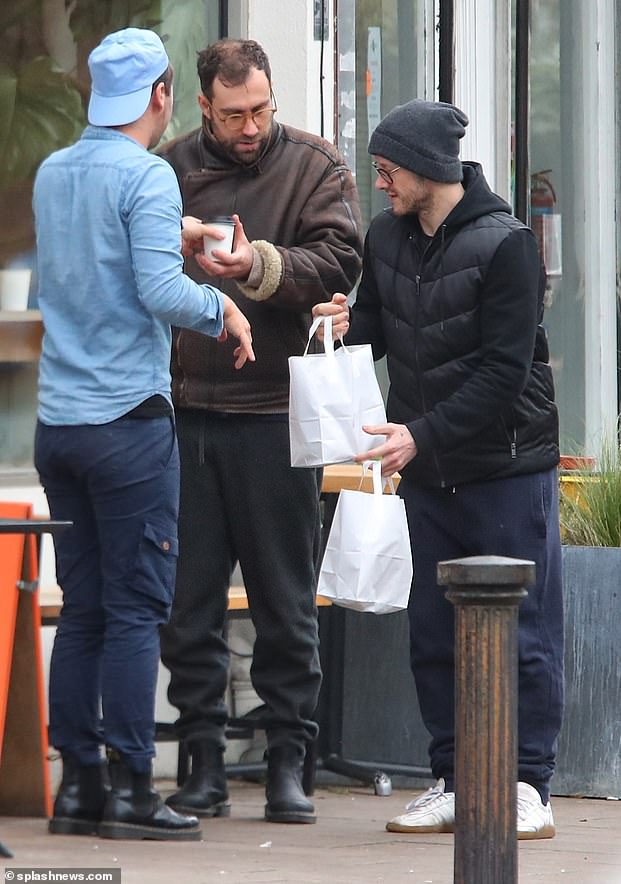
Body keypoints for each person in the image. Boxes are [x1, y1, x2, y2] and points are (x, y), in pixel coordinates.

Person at [314, 100, 564, 840]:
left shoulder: (507, 244)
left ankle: (528, 785)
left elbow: (502, 372)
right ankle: (455, 779)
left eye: (387, 170)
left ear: (426, 168)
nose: (380, 183)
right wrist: (341, 322)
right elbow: (380, 326)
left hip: (506, 467)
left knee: (525, 634)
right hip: (426, 469)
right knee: (432, 633)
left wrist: (417, 435)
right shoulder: (387, 235)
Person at [33, 27, 254, 842]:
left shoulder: (55, 172)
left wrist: (182, 232)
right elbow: (161, 290)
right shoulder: (150, 174)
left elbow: (87, 263)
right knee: (134, 611)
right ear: (164, 95)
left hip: (58, 425)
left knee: (84, 608)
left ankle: (80, 788)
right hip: (127, 423)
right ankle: (135, 788)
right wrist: (222, 306)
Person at [157, 38, 363, 824]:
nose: (250, 128)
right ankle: (202, 759)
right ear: (204, 105)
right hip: (186, 412)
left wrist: (258, 266)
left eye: (262, 110)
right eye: (235, 114)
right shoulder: (169, 166)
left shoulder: (314, 165)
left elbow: (341, 261)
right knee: (191, 603)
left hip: (279, 416)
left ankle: (288, 762)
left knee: (285, 603)